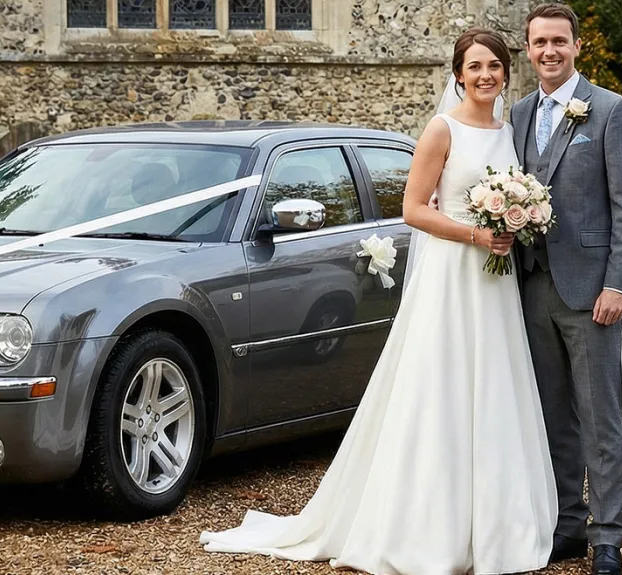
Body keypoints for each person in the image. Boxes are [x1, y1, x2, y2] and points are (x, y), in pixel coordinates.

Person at [198, 28, 559, 575]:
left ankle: (495, 523)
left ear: (508, 72)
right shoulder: (442, 129)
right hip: (454, 273)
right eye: (475, 66)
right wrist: (476, 235)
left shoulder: (509, 130)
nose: (485, 75)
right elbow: (414, 210)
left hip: (495, 279)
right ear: (457, 73)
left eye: (495, 65)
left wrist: (515, 219)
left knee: (494, 382)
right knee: (442, 386)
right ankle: (424, 525)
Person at [513, 4, 622, 575]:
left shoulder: (611, 110)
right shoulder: (515, 114)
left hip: (592, 292)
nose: (549, 51)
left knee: (599, 418)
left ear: (577, 46)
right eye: (540, 42)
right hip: (529, 287)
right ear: (528, 47)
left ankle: (609, 538)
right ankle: (569, 522)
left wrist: (620, 283)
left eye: (559, 42)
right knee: (550, 416)